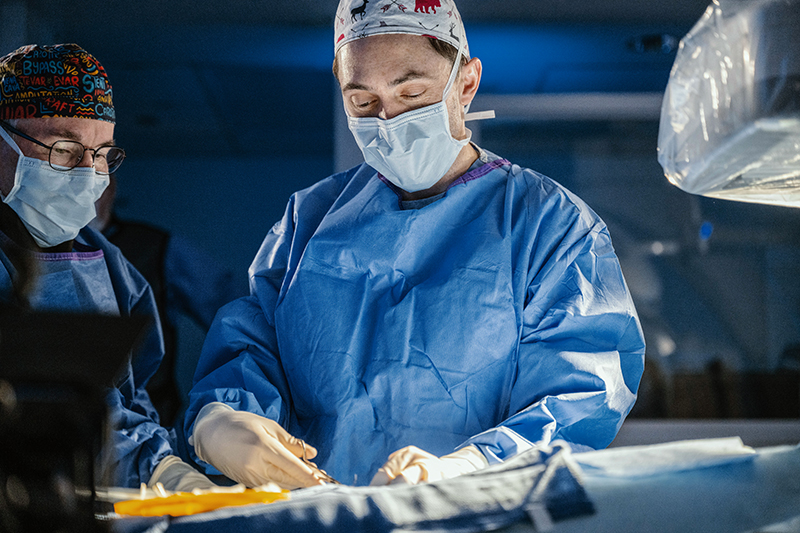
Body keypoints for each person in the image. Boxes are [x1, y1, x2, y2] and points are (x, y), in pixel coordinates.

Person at [185, 0, 646, 489]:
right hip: (324, 512)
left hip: (478, 513)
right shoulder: (311, 220)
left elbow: (577, 396)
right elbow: (252, 350)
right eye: (363, 102)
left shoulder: (548, 225)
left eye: (412, 93)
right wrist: (220, 419)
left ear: (465, 84)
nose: (388, 120)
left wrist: (467, 468)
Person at [0, 43, 213, 491]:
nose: (88, 175)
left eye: (102, 155)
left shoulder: (112, 270)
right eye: (63, 149)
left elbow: (130, 406)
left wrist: (159, 465)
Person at [91, 173, 239, 426]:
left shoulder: (156, 248)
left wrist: (228, 405)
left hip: (146, 422)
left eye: (93, 179)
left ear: (111, 187)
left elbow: (236, 322)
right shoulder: (27, 251)